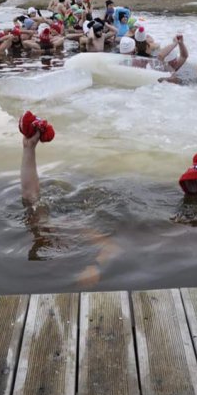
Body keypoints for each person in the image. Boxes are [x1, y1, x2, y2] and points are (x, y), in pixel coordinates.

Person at [18, 111, 120, 286]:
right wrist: (29, 147)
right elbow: (29, 194)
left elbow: (111, 248)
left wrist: (95, 267)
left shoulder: (67, 225)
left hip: (69, 214)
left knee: (33, 204)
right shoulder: (47, 229)